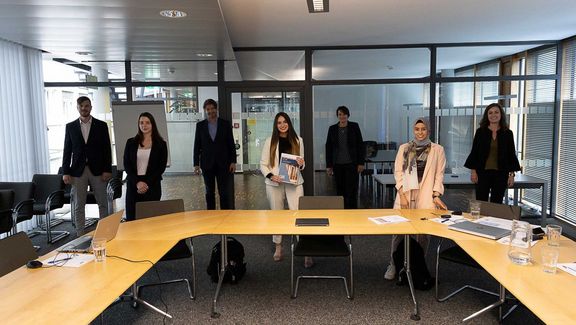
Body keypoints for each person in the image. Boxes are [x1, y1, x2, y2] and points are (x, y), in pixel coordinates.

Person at [384, 117, 447, 280]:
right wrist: (403, 195)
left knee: (423, 233)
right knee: (399, 231)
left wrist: (436, 195)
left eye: (423, 129)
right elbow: (398, 173)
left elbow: (439, 175)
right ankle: (393, 264)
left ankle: (419, 265)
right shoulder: (405, 148)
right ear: (413, 130)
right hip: (406, 194)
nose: (420, 132)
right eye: (417, 129)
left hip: (425, 195)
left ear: (429, 131)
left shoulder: (437, 149)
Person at [260, 112, 308, 264]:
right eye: (279, 122)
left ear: (289, 123)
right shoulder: (270, 141)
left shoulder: (298, 140)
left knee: (298, 215)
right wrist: (271, 176)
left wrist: (301, 163)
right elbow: (263, 164)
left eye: (285, 121)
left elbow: (302, 163)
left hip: (294, 182)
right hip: (275, 183)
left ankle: (305, 249)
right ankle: (278, 247)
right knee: (276, 215)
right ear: (276, 125)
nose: (282, 125)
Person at [62, 96, 112, 236]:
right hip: (78, 171)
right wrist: (66, 171)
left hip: (98, 170)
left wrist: (107, 169)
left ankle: (105, 232)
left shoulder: (101, 125)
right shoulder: (70, 126)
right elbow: (67, 150)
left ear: (91, 107)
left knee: (102, 202)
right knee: (79, 204)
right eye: (81, 106)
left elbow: (106, 149)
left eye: (86, 106)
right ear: (77, 108)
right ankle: (80, 234)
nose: (84, 108)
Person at [465, 103, 521, 203]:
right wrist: (473, 172)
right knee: (481, 202)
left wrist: (511, 175)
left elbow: (511, 154)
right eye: (490, 113)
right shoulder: (480, 132)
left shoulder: (508, 133)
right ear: (487, 115)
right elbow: (474, 152)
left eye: (496, 112)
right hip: (482, 173)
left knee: (497, 203)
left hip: (501, 174)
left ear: (501, 115)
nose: (493, 115)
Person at [123, 112, 168, 221]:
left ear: (153, 124)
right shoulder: (131, 142)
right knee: (132, 218)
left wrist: (146, 183)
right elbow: (127, 164)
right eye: (141, 123)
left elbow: (161, 167)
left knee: (151, 220)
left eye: (147, 122)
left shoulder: (161, 144)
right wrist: (138, 182)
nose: (144, 125)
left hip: (152, 185)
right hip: (134, 184)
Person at [193, 99, 237, 210]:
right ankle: (211, 214)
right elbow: (197, 146)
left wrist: (233, 161)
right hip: (207, 164)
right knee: (209, 192)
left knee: (224, 192)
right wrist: (196, 164)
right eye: (208, 109)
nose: (210, 111)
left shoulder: (225, 124)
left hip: (224, 164)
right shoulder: (200, 126)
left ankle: (225, 215)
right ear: (205, 110)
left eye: (212, 108)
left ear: (216, 109)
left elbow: (231, 144)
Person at [325, 106, 365, 209]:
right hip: (337, 165)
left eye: (344, 114)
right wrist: (329, 165)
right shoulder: (332, 129)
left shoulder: (354, 126)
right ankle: (341, 211)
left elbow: (360, 145)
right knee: (339, 190)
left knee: (351, 190)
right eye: (340, 114)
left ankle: (352, 212)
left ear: (348, 115)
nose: (342, 116)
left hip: (352, 164)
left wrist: (361, 163)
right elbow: (328, 147)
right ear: (337, 116)